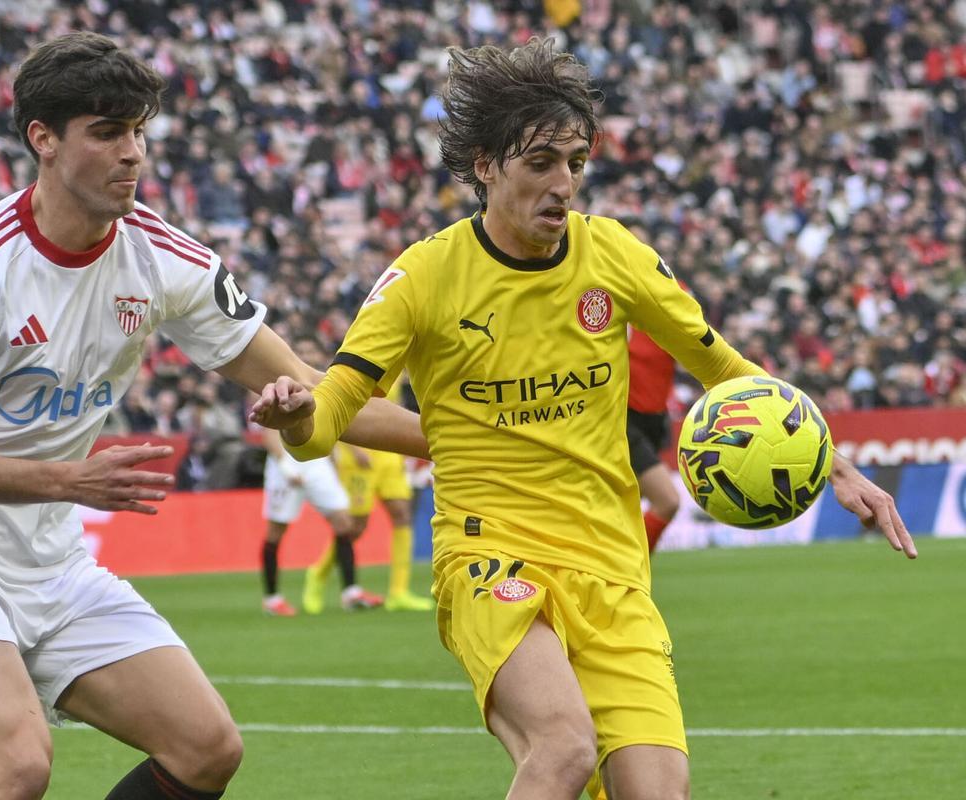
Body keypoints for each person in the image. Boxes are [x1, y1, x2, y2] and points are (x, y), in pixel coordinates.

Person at [251, 39, 917, 800]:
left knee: (656, 792)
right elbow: (332, 410)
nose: (562, 183)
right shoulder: (422, 277)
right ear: (483, 165)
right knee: (564, 748)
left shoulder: (615, 256)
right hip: (490, 555)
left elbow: (726, 369)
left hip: (612, 568)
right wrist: (299, 416)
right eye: (539, 162)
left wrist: (838, 464)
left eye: (573, 162)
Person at [0, 32, 424, 800]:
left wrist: (467, 439)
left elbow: (313, 386)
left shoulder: (166, 261)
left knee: (206, 748)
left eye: (138, 132)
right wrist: (66, 479)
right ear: (43, 140)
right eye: (106, 132)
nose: (133, 154)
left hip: (50, 556)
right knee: (17, 768)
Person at [260, 334, 384, 615]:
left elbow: (336, 422)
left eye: (310, 350)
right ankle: (272, 598)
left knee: (344, 522)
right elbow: (267, 432)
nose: (306, 355)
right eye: (300, 349)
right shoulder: (271, 383)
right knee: (275, 531)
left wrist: (350, 454)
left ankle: (351, 592)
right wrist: (286, 468)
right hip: (285, 467)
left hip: (317, 464)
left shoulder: (323, 384)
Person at [303, 376, 434, 613]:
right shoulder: (356, 362)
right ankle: (318, 574)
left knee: (402, 514)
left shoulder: (398, 367)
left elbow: (396, 407)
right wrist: (352, 449)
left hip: (389, 453)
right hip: (360, 455)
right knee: (354, 526)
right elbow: (337, 405)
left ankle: (398, 592)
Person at [627, 327, 680, 553]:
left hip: (655, 421)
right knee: (667, 501)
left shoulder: (679, 294)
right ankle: (633, 570)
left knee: (624, 512)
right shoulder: (619, 296)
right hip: (623, 418)